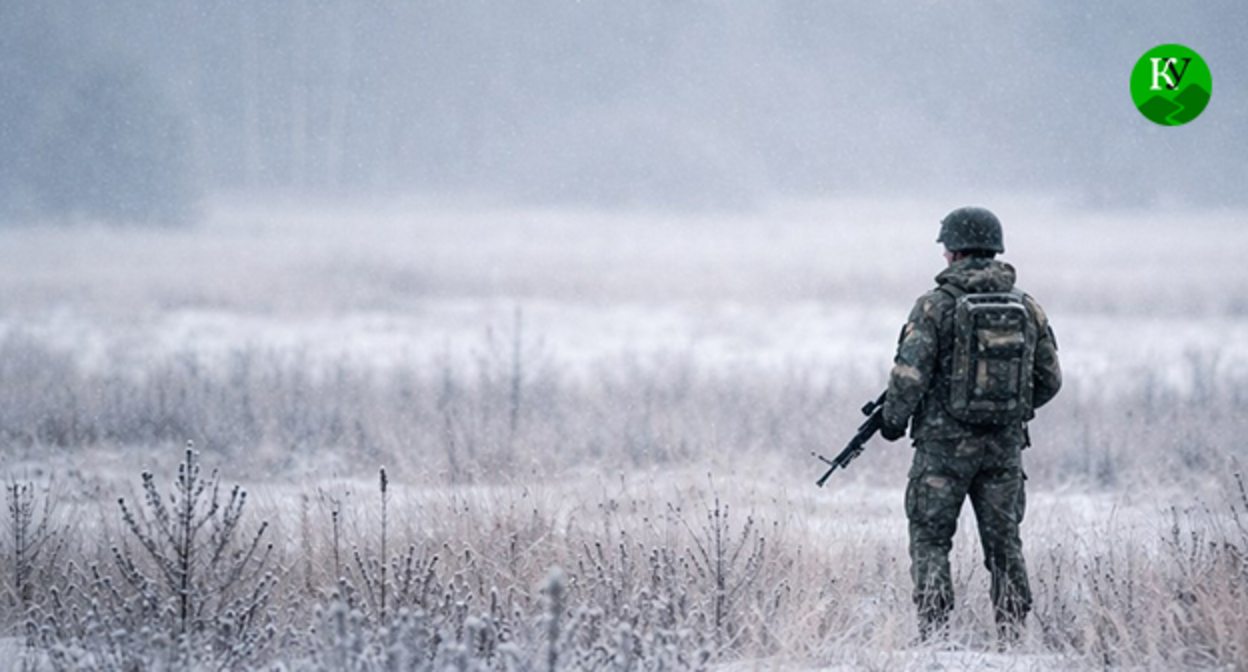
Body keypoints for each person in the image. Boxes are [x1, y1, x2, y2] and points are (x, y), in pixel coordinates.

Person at [878, 206, 1062, 644]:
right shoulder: (1026, 306)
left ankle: (935, 635)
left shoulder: (934, 306)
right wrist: (1010, 412)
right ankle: (1012, 636)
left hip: (942, 448)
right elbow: (1050, 380)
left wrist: (893, 422)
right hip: (1004, 449)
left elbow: (909, 376)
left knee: (930, 538)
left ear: (954, 251)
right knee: (1004, 543)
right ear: (995, 248)